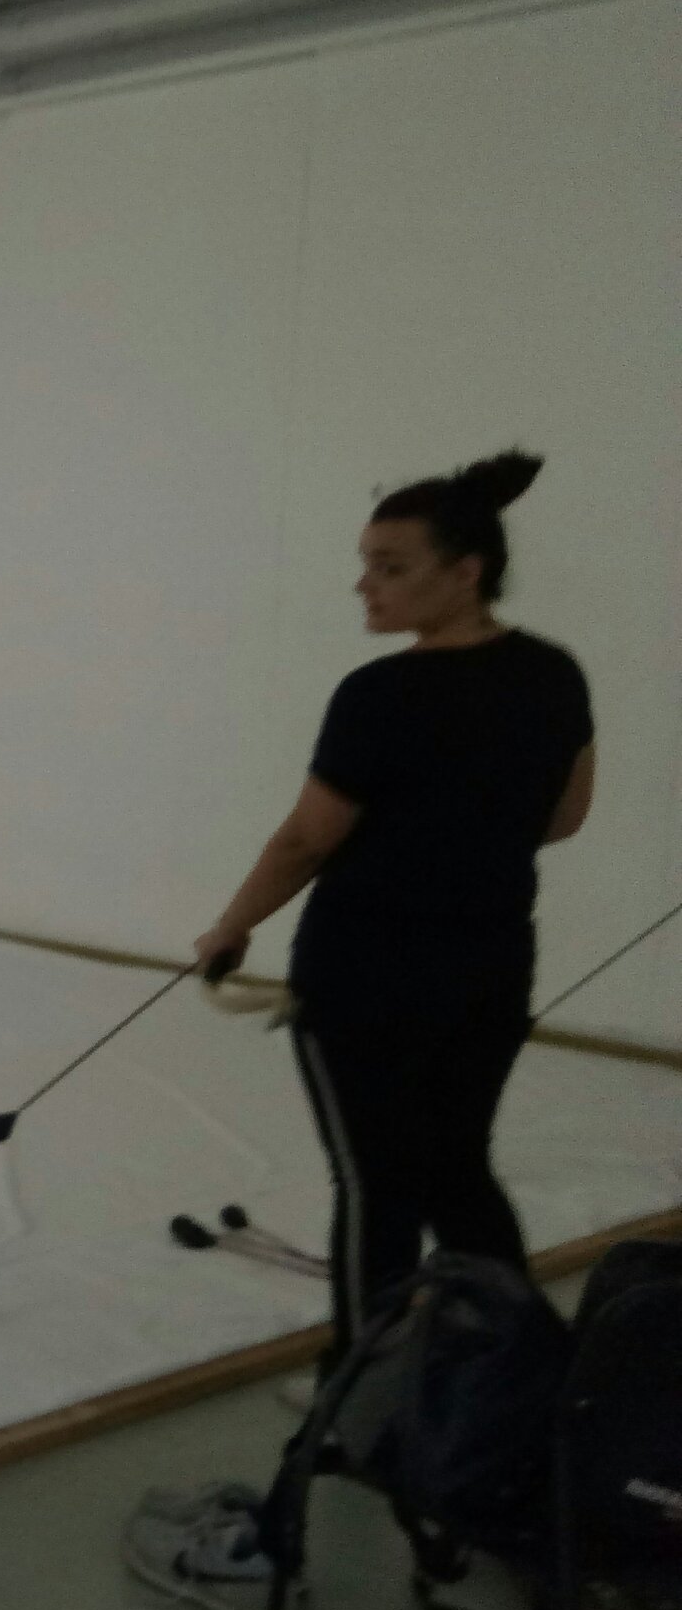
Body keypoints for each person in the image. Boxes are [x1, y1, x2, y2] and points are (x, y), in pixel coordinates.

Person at [196, 451, 593, 1351]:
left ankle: (364, 1393)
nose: (364, 585)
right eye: (366, 564)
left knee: (376, 1184)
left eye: (391, 566)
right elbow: (564, 817)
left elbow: (306, 840)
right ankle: (522, 1373)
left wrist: (231, 927)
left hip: (364, 975)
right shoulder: (554, 673)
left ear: (466, 571)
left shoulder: (380, 693)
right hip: (491, 964)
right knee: (457, 1169)